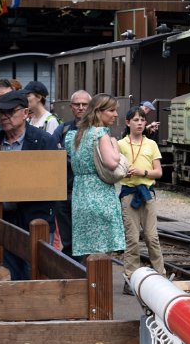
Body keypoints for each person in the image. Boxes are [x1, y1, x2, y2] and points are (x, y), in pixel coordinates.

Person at [0, 91, 55, 280]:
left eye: (10, 112)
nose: (4, 117)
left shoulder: (43, 141)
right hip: (3, 219)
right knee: (9, 272)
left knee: (35, 270)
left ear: (26, 113)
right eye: (0, 113)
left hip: (35, 218)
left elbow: (55, 179)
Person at [65, 94, 125, 259]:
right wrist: (114, 144)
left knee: (86, 251)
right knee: (101, 253)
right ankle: (98, 284)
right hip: (100, 196)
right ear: (99, 112)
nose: (116, 114)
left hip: (80, 196)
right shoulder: (101, 134)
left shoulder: (76, 135)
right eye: (111, 110)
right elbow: (112, 163)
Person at [118, 107, 166, 290]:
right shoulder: (120, 144)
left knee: (151, 237)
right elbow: (114, 168)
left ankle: (160, 275)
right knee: (131, 238)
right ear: (127, 123)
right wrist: (125, 173)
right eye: (135, 120)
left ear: (146, 123)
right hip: (129, 193)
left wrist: (142, 172)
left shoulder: (151, 144)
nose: (139, 123)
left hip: (147, 194)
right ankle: (130, 278)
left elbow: (158, 172)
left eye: (142, 120)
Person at [53, 90, 91, 257]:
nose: (81, 108)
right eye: (77, 104)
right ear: (71, 107)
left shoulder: (97, 130)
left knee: (86, 240)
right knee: (67, 240)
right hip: (64, 191)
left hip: (87, 193)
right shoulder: (63, 129)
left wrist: (66, 156)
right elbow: (52, 154)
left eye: (85, 104)